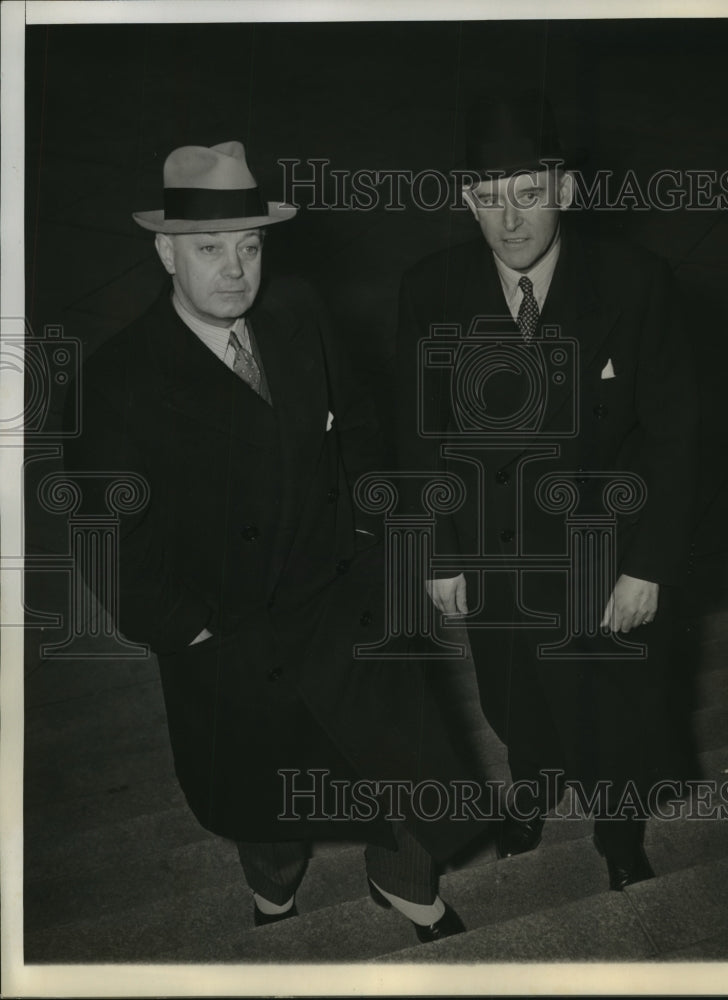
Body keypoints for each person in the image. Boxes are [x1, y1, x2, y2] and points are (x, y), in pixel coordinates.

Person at [64, 140, 481, 940]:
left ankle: (402, 884)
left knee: (399, 760)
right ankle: (274, 893)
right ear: (166, 252)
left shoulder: (298, 311)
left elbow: (359, 423)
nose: (235, 270)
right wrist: (192, 631)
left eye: (250, 247)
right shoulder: (117, 383)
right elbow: (106, 543)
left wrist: (370, 531)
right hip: (232, 631)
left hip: (341, 598)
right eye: (209, 249)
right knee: (265, 795)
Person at [394, 94, 699, 889]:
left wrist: (648, 566)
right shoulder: (429, 290)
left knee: (614, 714)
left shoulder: (635, 283)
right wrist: (437, 553)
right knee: (513, 698)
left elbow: (678, 436)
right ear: (467, 201)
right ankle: (530, 786)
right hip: (494, 554)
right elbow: (419, 435)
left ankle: (617, 833)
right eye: (489, 198)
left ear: (564, 189)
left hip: (604, 557)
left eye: (528, 194)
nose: (510, 220)